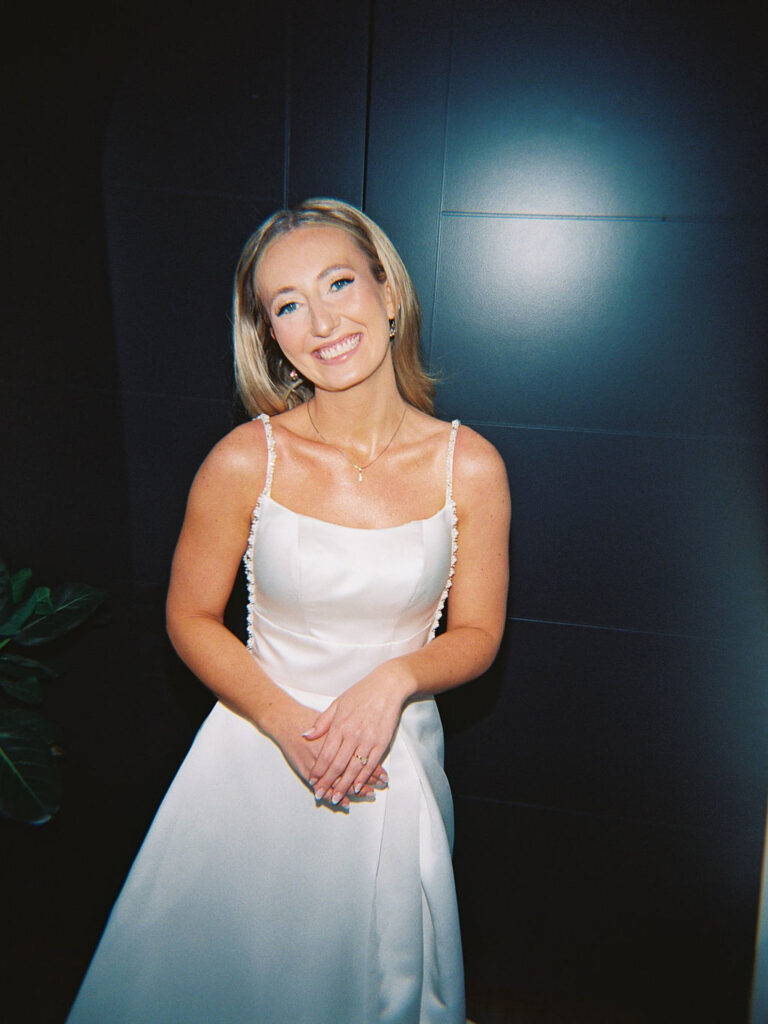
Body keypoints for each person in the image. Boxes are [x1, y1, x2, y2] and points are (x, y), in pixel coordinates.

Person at [66, 198, 510, 1024]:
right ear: (270, 335)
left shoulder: (471, 466)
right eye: (287, 305)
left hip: (395, 764)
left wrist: (395, 680)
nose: (321, 320)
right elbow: (189, 616)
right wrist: (289, 728)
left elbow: (480, 633)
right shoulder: (245, 459)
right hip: (255, 757)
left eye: (339, 282)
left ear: (387, 293)